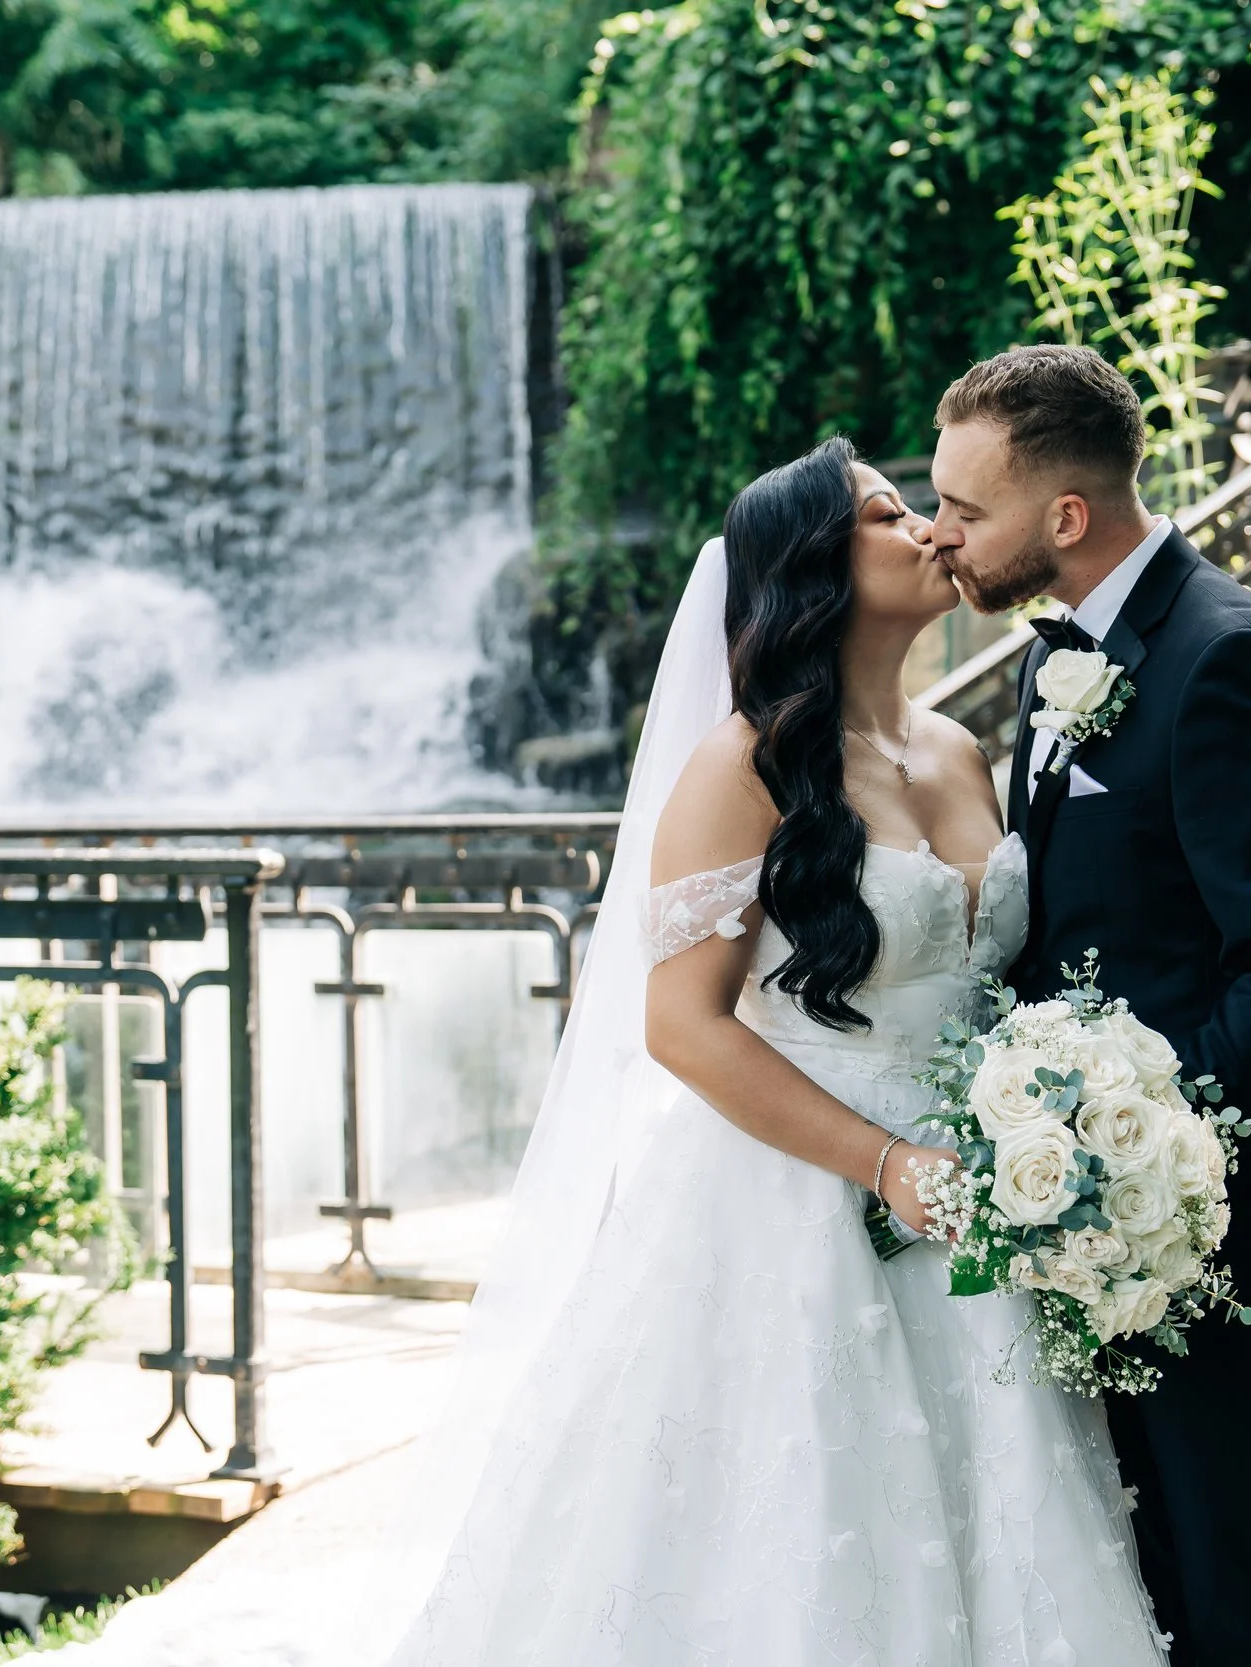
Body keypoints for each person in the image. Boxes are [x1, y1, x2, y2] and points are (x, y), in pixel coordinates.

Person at [375, 435, 1168, 1665]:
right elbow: (679, 1024)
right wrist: (884, 1162)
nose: (932, 532)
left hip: (979, 1208)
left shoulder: (962, 750)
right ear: (811, 567)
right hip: (795, 1198)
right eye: (891, 512)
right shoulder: (740, 763)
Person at [930, 344, 1251, 1666]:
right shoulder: (1054, 657)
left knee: (1250, 1590)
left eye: (968, 510)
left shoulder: (1232, 656)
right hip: (1104, 1221)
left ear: (1063, 518)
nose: (943, 534)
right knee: (1159, 1584)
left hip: (1227, 1221)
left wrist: (1149, 1160)